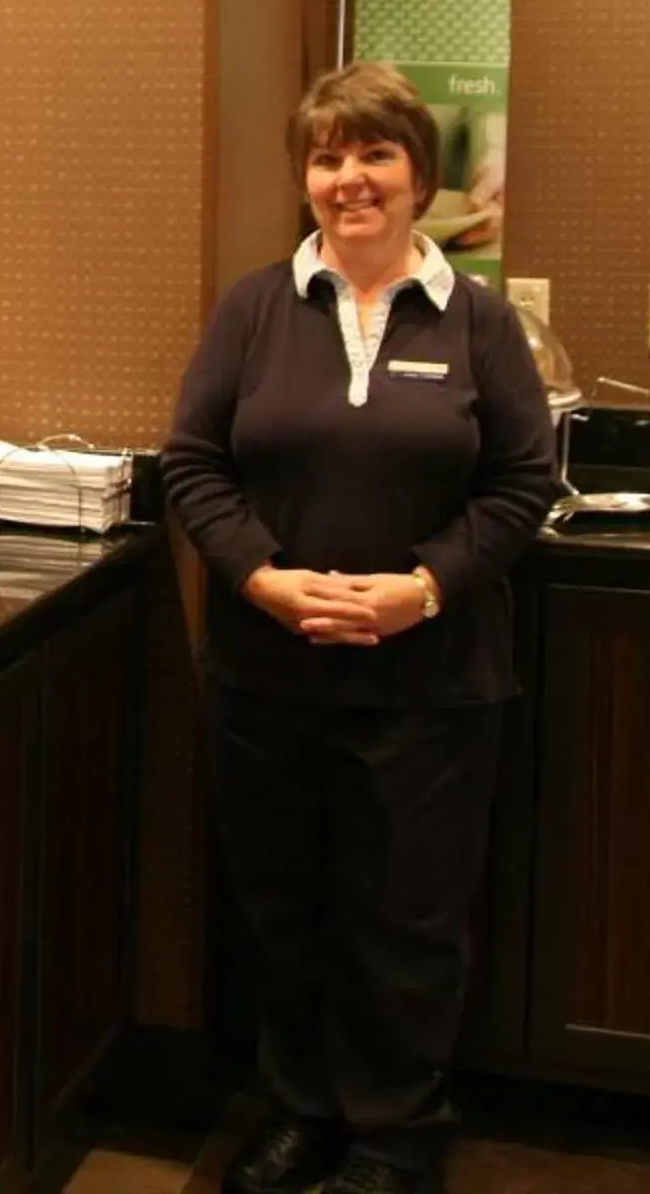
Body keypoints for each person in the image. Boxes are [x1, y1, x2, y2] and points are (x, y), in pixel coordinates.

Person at [161, 61, 559, 1194]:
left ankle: (395, 1132)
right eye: (329, 156)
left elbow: (523, 482)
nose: (352, 178)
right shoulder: (252, 308)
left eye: (375, 153)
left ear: (419, 174)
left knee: (407, 923)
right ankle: (304, 1111)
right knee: (285, 910)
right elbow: (192, 462)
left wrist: (420, 588)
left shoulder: (479, 319)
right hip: (265, 674)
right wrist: (264, 580)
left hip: (432, 682)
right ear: (307, 177)